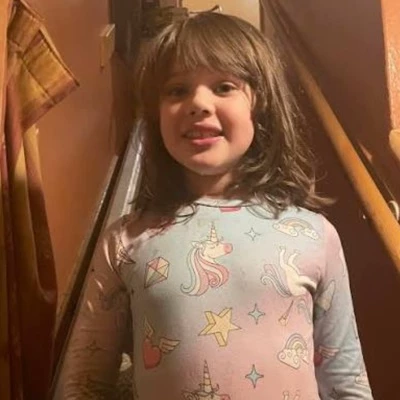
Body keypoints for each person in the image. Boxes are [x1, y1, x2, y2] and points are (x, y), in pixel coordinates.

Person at [59, 12, 373, 400]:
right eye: (177, 90)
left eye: (224, 86)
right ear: (156, 115)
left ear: (259, 104)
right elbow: (84, 382)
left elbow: (346, 380)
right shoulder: (125, 241)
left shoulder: (314, 235)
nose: (198, 103)